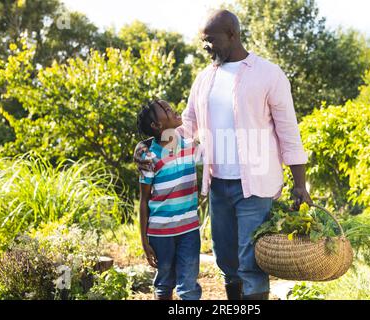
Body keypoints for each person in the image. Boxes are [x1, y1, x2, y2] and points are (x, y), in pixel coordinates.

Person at [134, 10, 312, 300]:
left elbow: (289, 133)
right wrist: (146, 146)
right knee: (226, 262)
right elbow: (187, 127)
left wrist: (300, 184)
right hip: (217, 185)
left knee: (251, 264)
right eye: (203, 41)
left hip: (255, 186)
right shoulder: (204, 79)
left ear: (232, 35)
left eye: (210, 41)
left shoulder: (269, 74)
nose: (206, 47)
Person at [137, 99, 202, 300]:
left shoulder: (191, 147)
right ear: (157, 126)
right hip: (160, 232)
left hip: (189, 229)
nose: (171, 108)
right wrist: (144, 240)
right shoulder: (149, 156)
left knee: (189, 286)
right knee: (164, 283)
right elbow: (143, 199)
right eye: (165, 109)